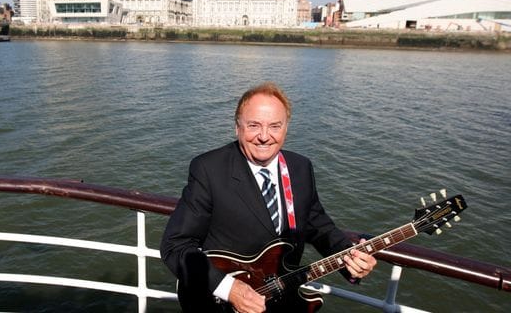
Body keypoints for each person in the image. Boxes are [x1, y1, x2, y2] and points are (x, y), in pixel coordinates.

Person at [160, 82, 376, 312]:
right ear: (237, 127)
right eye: (254, 125)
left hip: (282, 297)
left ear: (286, 128)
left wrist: (349, 258)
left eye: (275, 126)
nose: (264, 136)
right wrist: (229, 288)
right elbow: (175, 245)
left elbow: (318, 225)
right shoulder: (209, 169)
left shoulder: (300, 167)